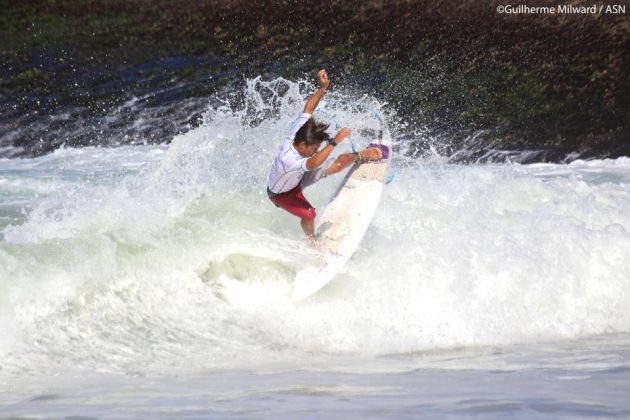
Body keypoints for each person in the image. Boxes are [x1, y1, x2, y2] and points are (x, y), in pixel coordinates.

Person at [266, 69, 382, 240]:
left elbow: (308, 108)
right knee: (309, 214)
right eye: (314, 148)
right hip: (281, 194)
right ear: (303, 145)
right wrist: (334, 141)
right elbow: (312, 164)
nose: (315, 150)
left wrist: (323, 87)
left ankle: (361, 156)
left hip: (298, 176)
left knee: (336, 162)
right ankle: (313, 241)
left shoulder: (299, 131)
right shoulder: (288, 159)